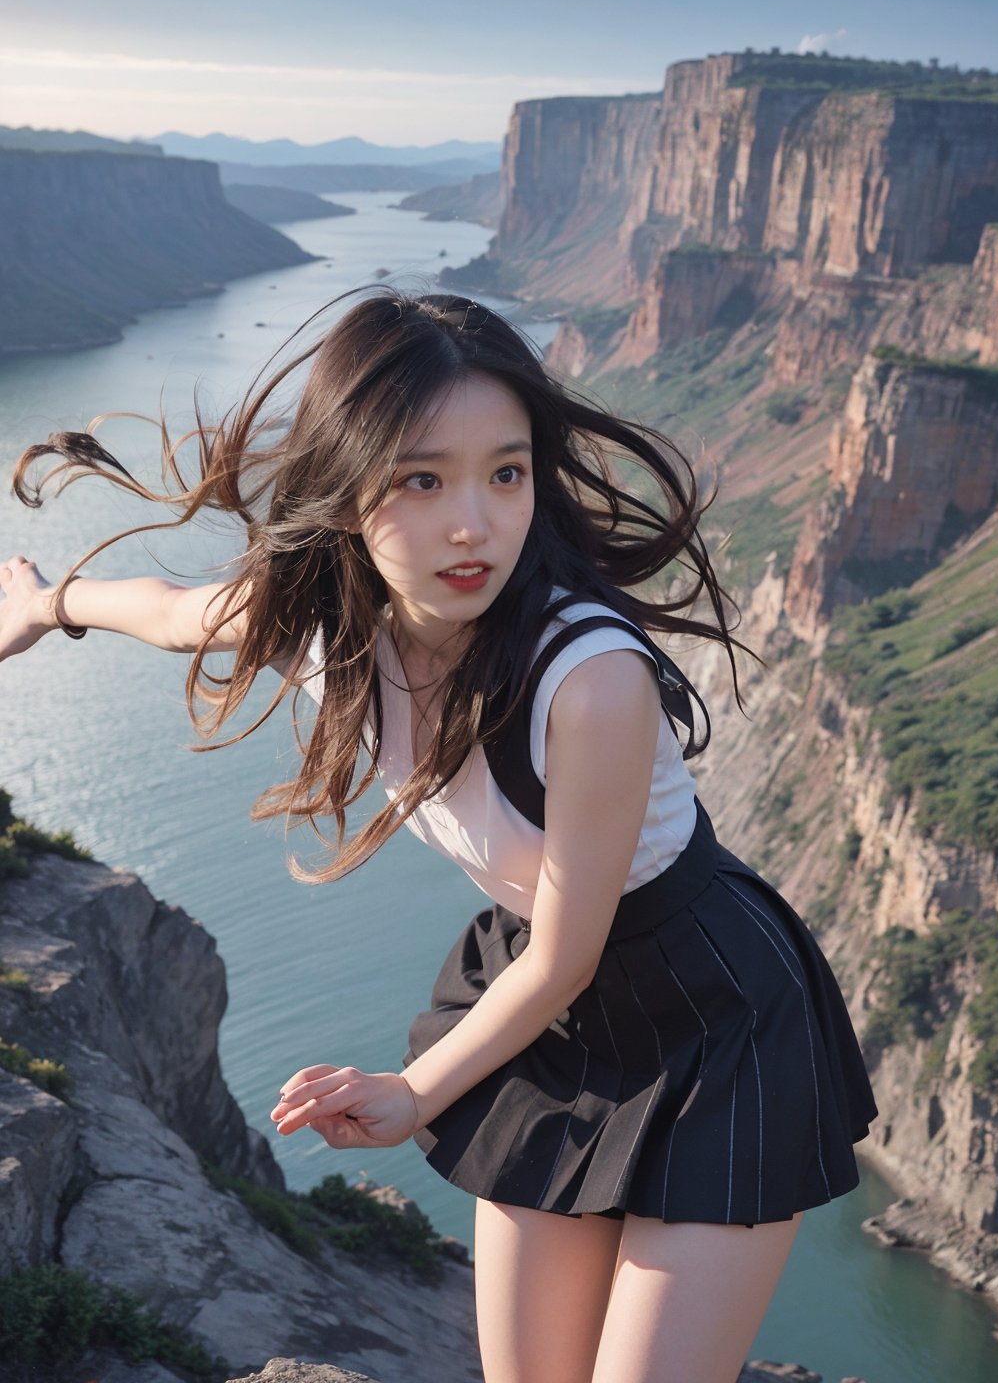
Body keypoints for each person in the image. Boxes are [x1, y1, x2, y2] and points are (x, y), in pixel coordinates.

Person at [0, 287, 877, 1383]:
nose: (474, 523)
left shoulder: (590, 681)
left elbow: (567, 954)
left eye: (505, 473)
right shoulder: (314, 622)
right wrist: (44, 605)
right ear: (347, 485)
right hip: (549, 1019)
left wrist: (415, 1092)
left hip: (709, 1018)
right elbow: (170, 607)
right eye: (422, 478)